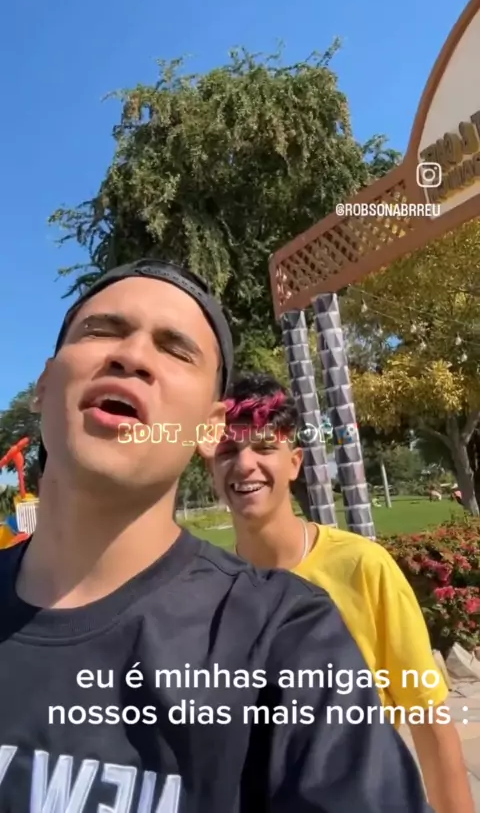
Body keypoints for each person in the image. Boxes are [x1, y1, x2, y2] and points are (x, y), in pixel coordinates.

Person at [0, 260, 431, 813]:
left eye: (175, 350)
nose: (131, 356)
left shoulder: (288, 639)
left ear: (208, 428)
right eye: (102, 330)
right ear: (43, 385)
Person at [209, 371, 474, 813]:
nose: (245, 464)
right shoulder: (209, 587)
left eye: (264, 447)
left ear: (295, 462)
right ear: (210, 468)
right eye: (227, 451)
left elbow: (427, 717)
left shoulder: (362, 567)